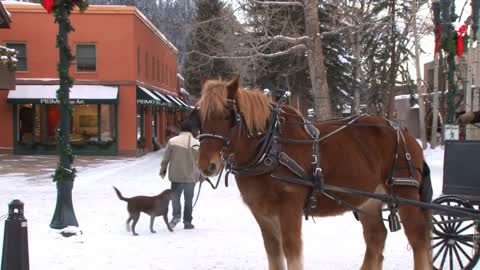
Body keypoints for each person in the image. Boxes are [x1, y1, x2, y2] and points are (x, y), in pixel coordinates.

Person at [159, 119, 200, 230]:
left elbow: (166, 158)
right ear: (192, 130)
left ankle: (176, 217)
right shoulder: (196, 143)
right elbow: (199, 161)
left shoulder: (172, 141)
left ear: (181, 129)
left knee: (175, 198)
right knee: (189, 199)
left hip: (176, 176)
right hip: (190, 176)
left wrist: (163, 170)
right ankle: (187, 222)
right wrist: (202, 176)